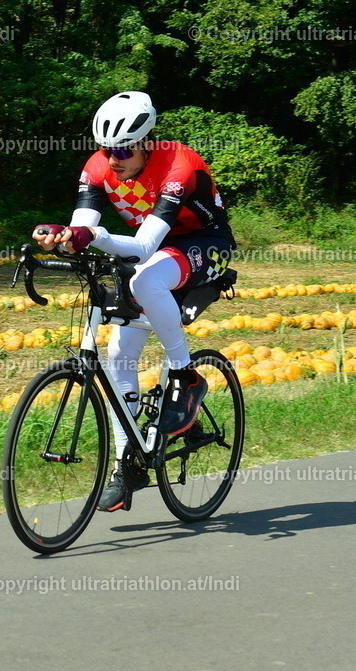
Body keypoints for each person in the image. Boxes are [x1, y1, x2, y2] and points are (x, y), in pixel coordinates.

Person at [32, 91, 236, 512]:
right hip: (156, 249)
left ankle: (186, 375)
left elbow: (144, 246)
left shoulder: (180, 164)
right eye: (107, 150)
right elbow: (83, 228)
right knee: (119, 351)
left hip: (202, 242)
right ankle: (128, 463)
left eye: (124, 149)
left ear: (147, 141)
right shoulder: (98, 168)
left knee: (145, 279)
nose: (114, 159)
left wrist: (96, 236)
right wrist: (63, 239)